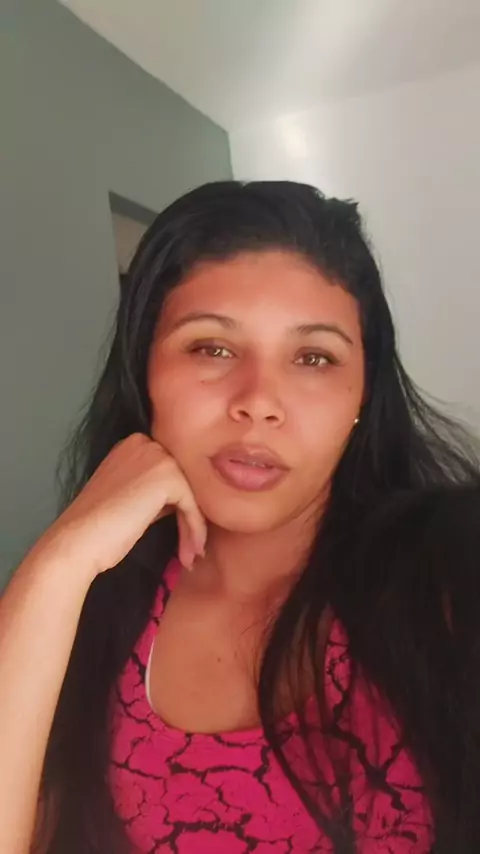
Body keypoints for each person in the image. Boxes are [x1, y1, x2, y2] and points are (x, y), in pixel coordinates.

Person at [1, 181, 480, 854]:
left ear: (361, 397)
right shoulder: (97, 610)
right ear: (144, 373)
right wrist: (56, 567)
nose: (259, 402)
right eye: (212, 348)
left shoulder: (450, 566)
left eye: (314, 358)